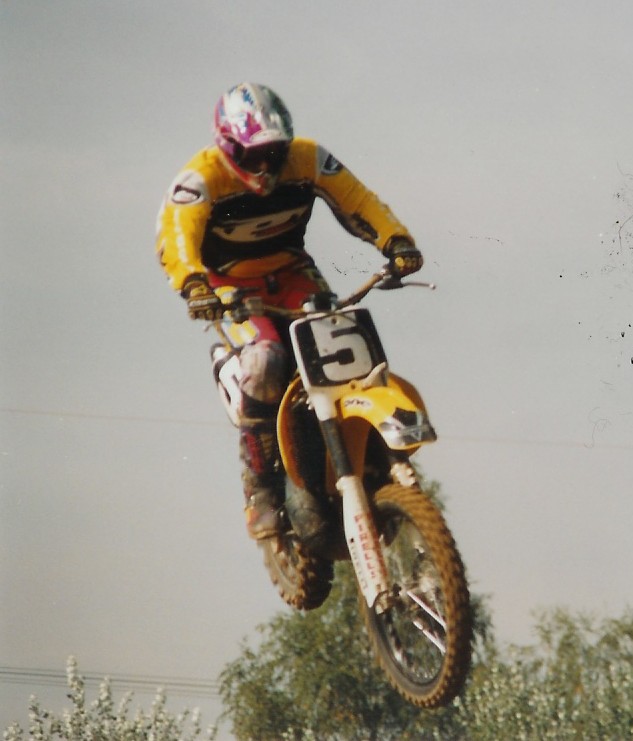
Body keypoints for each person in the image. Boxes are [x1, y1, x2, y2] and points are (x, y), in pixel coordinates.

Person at [155, 82, 423, 540]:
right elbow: (175, 236)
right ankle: (259, 489)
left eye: (274, 152)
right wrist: (193, 283)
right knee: (266, 361)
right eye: (254, 154)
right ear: (228, 146)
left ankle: (375, 458)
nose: (266, 165)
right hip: (228, 284)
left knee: (345, 346)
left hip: (293, 272)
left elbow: (358, 201)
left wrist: (395, 240)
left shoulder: (308, 158)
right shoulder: (200, 180)